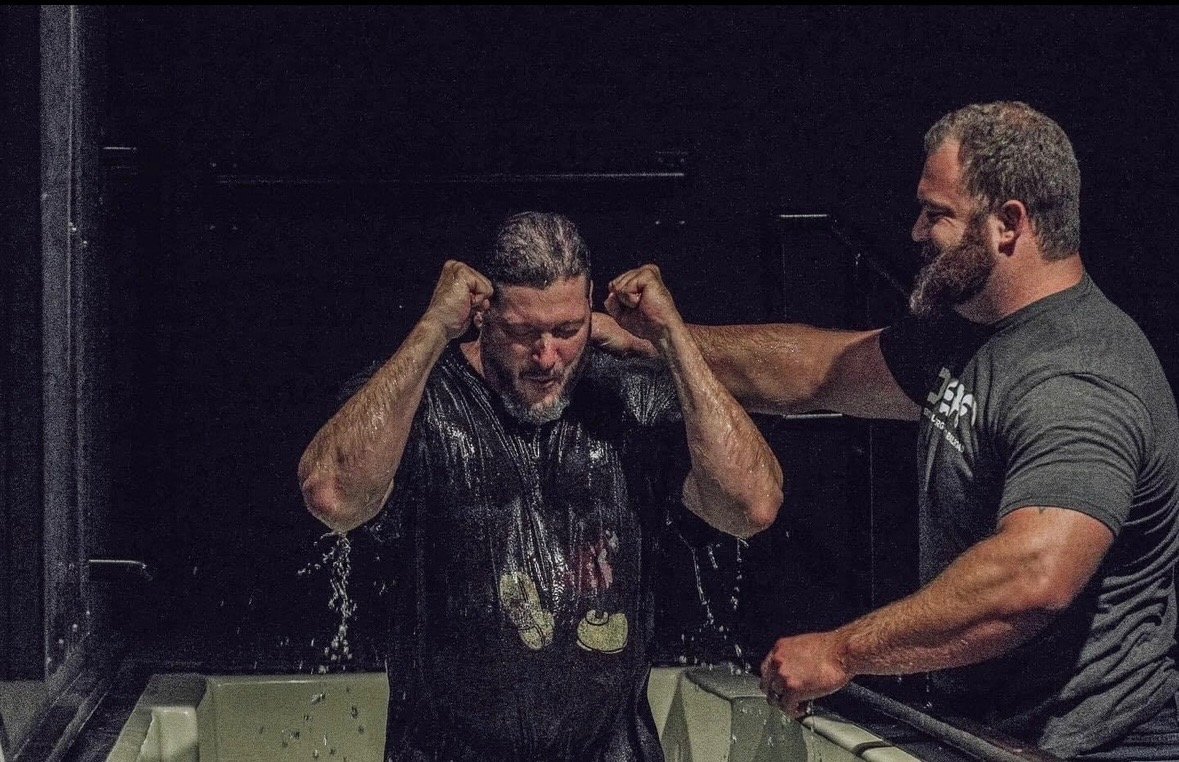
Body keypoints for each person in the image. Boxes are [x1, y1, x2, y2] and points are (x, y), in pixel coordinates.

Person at [593, 101, 1179, 760]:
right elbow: (815, 370)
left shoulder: (1076, 376)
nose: (915, 231)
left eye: (938, 214)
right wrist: (660, 342)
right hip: (992, 731)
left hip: (1093, 744)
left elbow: (1033, 577)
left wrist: (845, 651)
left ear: (1008, 223)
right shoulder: (972, 336)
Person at [297, 211, 783, 761]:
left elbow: (753, 505)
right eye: (523, 333)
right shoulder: (423, 405)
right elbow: (332, 496)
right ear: (483, 315)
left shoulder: (630, 399)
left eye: (568, 331)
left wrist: (672, 337)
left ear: (592, 306)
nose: (548, 357)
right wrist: (432, 328)